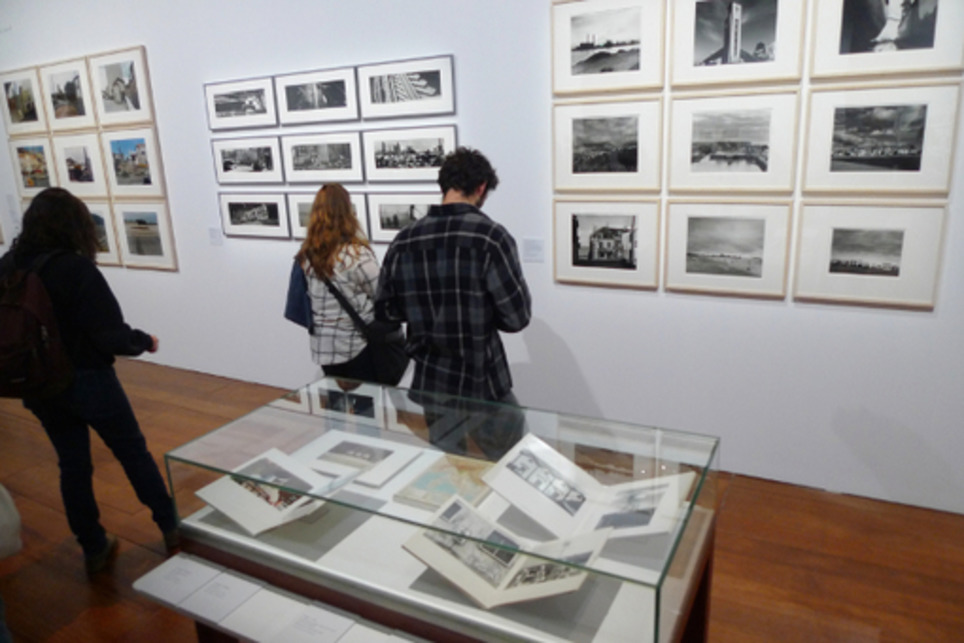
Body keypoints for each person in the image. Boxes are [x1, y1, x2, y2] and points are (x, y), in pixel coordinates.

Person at [0, 187, 178, 574]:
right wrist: (144, 341)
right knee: (133, 453)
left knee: (73, 465)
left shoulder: (8, 264)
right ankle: (171, 528)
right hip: (88, 380)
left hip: (39, 383)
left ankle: (93, 545)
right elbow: (109, 334)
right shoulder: (75, 268)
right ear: (75, 225)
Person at [374, 147, 531, 458]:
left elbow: (386, 311)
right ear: (482, 187)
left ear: (444, 185)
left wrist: (423, 311)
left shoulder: (404, 240)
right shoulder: (491, 238)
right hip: (482, 377)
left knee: (447, 468)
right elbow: (516, 318)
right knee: (513, 461)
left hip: (432, 378)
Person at [295, 183, 381, 383]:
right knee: (366, 404)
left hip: (323, 346)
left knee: (335, 400)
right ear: (347, 212)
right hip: (354, 344)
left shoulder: (306, 255)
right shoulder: (356, 255)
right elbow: (381, 293)